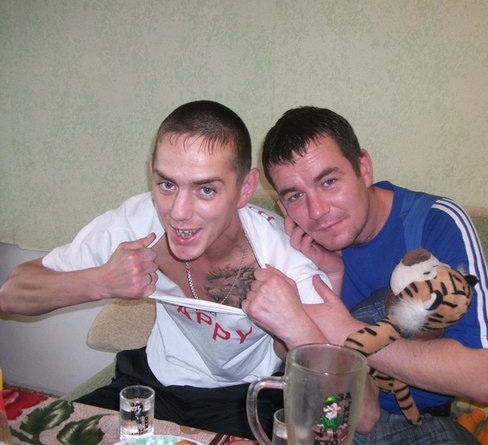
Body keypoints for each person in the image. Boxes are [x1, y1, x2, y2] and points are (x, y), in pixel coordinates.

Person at [0, 100, 339, 438]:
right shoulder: (136, 222)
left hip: (243, 398)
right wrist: (100, 282)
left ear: (245, 189)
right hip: (151, 383)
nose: (178, 212)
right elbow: (12, 294)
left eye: (206, 189)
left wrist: (292, 329)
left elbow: (344, 406)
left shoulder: (284, 257)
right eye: (167, 184)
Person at [243, 106, 488, 444]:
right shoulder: (297, 242)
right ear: (283, 206)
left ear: (364, 169)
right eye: (295, 196)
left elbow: (486, 379)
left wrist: (347, 332)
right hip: (332, 410)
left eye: (329, 182)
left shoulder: (435, 222)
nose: (318, 211)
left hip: (418, 423)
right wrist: (329, 277)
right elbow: (285, 348)